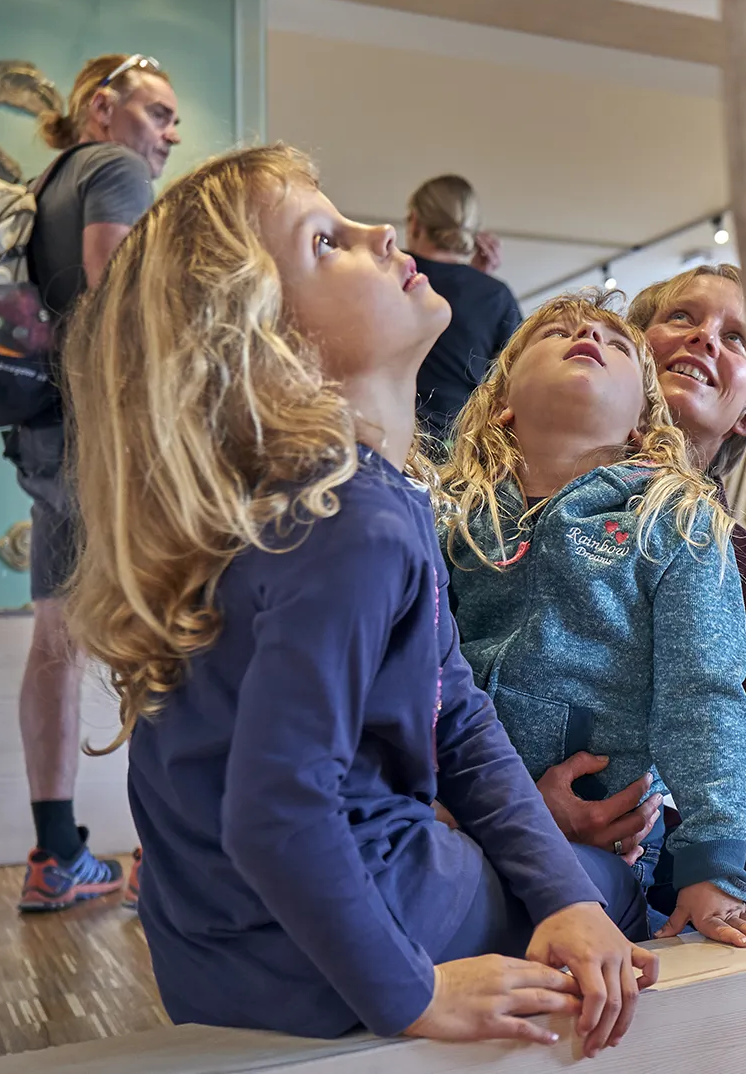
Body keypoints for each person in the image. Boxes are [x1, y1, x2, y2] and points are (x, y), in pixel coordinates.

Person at [62, 145, 655, 1052]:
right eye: (327, 241)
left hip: (215, 957)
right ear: (264, 342)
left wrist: (558, 896)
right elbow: (277, 811)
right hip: (348, 942)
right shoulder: (353, 518)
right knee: (622, 885)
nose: (381, 233)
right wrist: (415, 994)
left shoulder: (301, 507)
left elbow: (455, 718)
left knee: (567, 884)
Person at [440, 291, 746, 949]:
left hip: (609, 838)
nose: (586, 337)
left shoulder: (675, 523)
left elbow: (702, 697)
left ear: (641, 423)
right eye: (554, 335)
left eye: (617, 344)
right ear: (504, 402)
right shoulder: (452, 520)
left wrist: (711, 864)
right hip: (459, 812)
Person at [10, 53, 180, 912]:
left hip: (44, 439)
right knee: (168, 638)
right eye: (158, 112)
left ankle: (56, 854)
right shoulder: (112, 167)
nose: (171, 132)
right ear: (103, 109)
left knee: (56, 642)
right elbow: (121, 301)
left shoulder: (46, 186)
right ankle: (176, 855)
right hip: (106, 443)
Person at [627, 264, 746, 915]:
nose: (705, 339)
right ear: (631, 347)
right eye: (682, 317)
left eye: (737, 337)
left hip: (689, 837)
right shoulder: (520, 508)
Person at [407, 175, 522, 449]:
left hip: (385, 429)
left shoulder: (390, 273)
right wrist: (477, 281)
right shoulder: (494, 295)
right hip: (455, 444)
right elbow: (516, 374)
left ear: (414, 222)